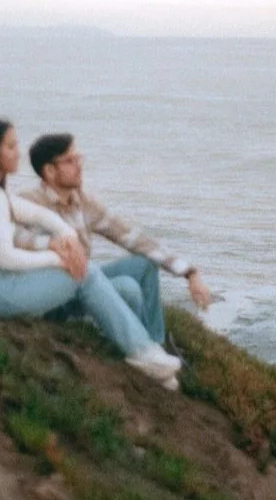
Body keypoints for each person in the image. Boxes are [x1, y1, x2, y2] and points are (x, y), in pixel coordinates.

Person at [0, 119, 183, 388]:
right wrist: (59, 258)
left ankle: (149, 352)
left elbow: (36, 214)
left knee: (94, 271)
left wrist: (65, 237)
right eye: (11, 147)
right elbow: (6, 257)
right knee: (84, 272)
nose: (19, 152)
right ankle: (145, 354)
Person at [15, 133, 215, 346]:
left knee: (144, 264)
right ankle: (134, 349)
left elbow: (132, 237)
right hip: (53, 299)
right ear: (49, 170)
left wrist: (189, 273)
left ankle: (155, 345)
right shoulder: (28, 203)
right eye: (70, 161)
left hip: (86, 282)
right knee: (128, 288)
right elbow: (6, 242)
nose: (79, 166)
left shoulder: (82, 202)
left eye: (78, 158)